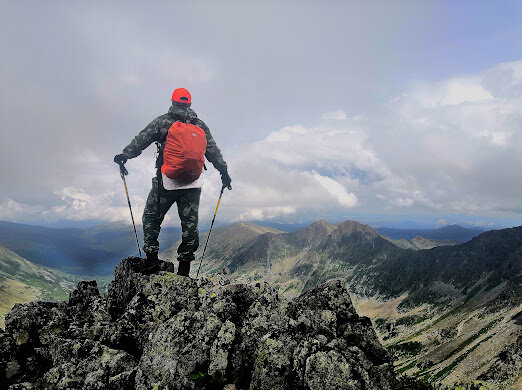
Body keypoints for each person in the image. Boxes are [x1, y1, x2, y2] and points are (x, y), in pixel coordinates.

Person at [114, 88, 231, 276]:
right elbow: (213, 151)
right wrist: (224, 172)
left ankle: (152, 259)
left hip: (167, 181)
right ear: (190, 104)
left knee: (152, 216)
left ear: (173, 102)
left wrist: (125, 155)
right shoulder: (200, 126)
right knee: (190, 225)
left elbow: (142, 139)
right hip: (193, 183)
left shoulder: (163, 122)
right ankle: (184, 269)